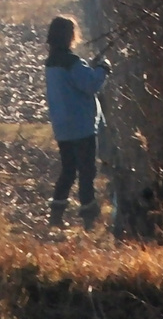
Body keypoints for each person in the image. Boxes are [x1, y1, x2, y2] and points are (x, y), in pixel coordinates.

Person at [43, 14, 109, 228]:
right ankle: (89, 218)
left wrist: (89, 69)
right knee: (87, 171)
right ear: (69, 36)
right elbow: (90, 85)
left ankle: (56, 216)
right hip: (82, 126)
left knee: (68, 170)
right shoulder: (72, 62)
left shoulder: (51, 63)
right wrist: (103, 68)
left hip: (62, 127)